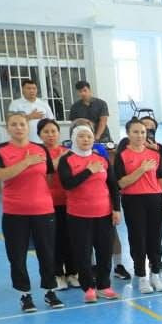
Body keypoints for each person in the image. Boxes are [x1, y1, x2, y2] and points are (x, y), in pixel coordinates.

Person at [0, 112, 62, 311]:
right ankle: (24, 295)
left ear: (28, 127)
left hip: (43, 210)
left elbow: (48, 176)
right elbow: (0, 176)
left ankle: (50, 291)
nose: (18, 127)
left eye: (22, 124)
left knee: (47, 252)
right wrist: (25, 162)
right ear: (7, 128)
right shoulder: (1, 150)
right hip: (15, 212)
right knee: (17, 255)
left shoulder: (40, 149)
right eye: (14, 124)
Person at [58, 123, 120, 302]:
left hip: (104, 214)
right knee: (82, 253)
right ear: (74, 139)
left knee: (105, 251)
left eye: (89, 136)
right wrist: (88, 171)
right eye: (81, 136)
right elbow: (68, 184)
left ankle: (104, 285)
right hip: (78, 216)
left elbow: (113, 185)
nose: (85, 140)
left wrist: (116, 209)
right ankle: (88, 287)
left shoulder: (102, 159)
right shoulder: (67, 159)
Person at [114, 117, 162, 292]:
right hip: (133, 201)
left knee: (156, 239)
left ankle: (155, 275)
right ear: (128, 134)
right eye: (136, 132)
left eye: (143, 132)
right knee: (138, 239)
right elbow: (121, 183)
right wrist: (141, 170)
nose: (140, 135)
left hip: (155, 200)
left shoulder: (155, 154)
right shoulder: (122, 155)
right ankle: (141, 276)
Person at [39, 119, 76, 291]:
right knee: (54, 240)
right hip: (48, 204)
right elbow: (47, 171)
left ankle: (72, 273)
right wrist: (61, 158)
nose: (50, 135)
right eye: (46, 132)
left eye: (53, 131)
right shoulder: (38, 152)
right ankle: (57, 274)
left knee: (70, 238)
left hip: (69, 202)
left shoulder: (67, 151)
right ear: (40, 135)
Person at [8, 79, 54, 143]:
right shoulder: (15, 104)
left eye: (34, 88)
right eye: (28, 88)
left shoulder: (44, 104)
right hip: (22, 142)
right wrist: (30, 117)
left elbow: (51, 122)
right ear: (23, 90)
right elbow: (11, 122)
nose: (32, 90)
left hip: (42, 141)